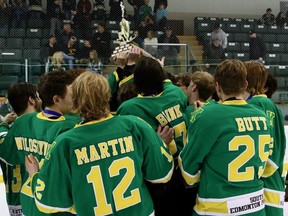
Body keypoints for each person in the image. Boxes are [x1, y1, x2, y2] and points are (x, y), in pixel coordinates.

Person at [25, 71, 174, 216]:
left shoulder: (64, 143)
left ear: (75, 100)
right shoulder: (135, 125)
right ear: (107, 96)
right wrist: (159, 144)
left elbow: (50, 200)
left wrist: (34, 175)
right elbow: (161, 174)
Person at [179, 59, 272, 215]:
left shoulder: (207, 116)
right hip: (256, 207)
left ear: (217, 87)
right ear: (245, 85)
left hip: (217, 208)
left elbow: (189, 174)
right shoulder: (263, 117)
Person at [117, 56, 191, 215]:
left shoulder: (130, 108)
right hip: (183, 165)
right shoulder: (176, 93)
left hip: (161, 171)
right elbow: (166, 83)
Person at [0, 69, 78, 216]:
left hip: (28, 202)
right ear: (56, 99)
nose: (75, 98)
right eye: (72, 94)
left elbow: (6, 153)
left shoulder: (23, 121)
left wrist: (3, 125)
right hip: (56, 206)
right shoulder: (70, 127)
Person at [243, 61, 286, 215]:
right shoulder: (263, 103)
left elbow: (274, 148)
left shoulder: (259, 104)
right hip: (267, 183)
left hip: (266, 184)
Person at [0, 83, 42, 216]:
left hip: (14, 202)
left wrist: (4, 124)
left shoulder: (9, 131)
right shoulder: (40, 126)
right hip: (36, 198)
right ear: (31, 99)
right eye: (38, 96)